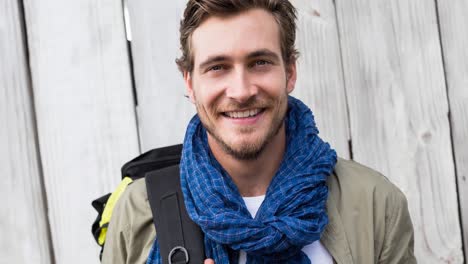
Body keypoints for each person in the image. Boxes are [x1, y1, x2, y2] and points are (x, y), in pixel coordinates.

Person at [102, 0, 416, 263]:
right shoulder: (138, 211)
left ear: (290, 72)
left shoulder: (376, 204)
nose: (241, 91)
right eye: (217, 67)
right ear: (189, 83)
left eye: (260, 62)